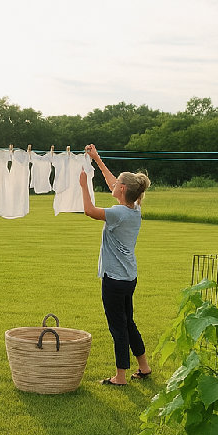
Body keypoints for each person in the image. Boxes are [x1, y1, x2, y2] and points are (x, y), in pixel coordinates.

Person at [79, 144, 152, 386]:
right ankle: (144, 367)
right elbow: (113, 182)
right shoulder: (135, 208)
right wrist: (97, 159)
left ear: (122, 189)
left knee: (118, 327)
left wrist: (84, 185)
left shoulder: (118, 213)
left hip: (115, 279)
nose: (113, 185)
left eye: (117, 184)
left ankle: (120, 377)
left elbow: (89, 211)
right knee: (128, 322)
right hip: (129, 277)